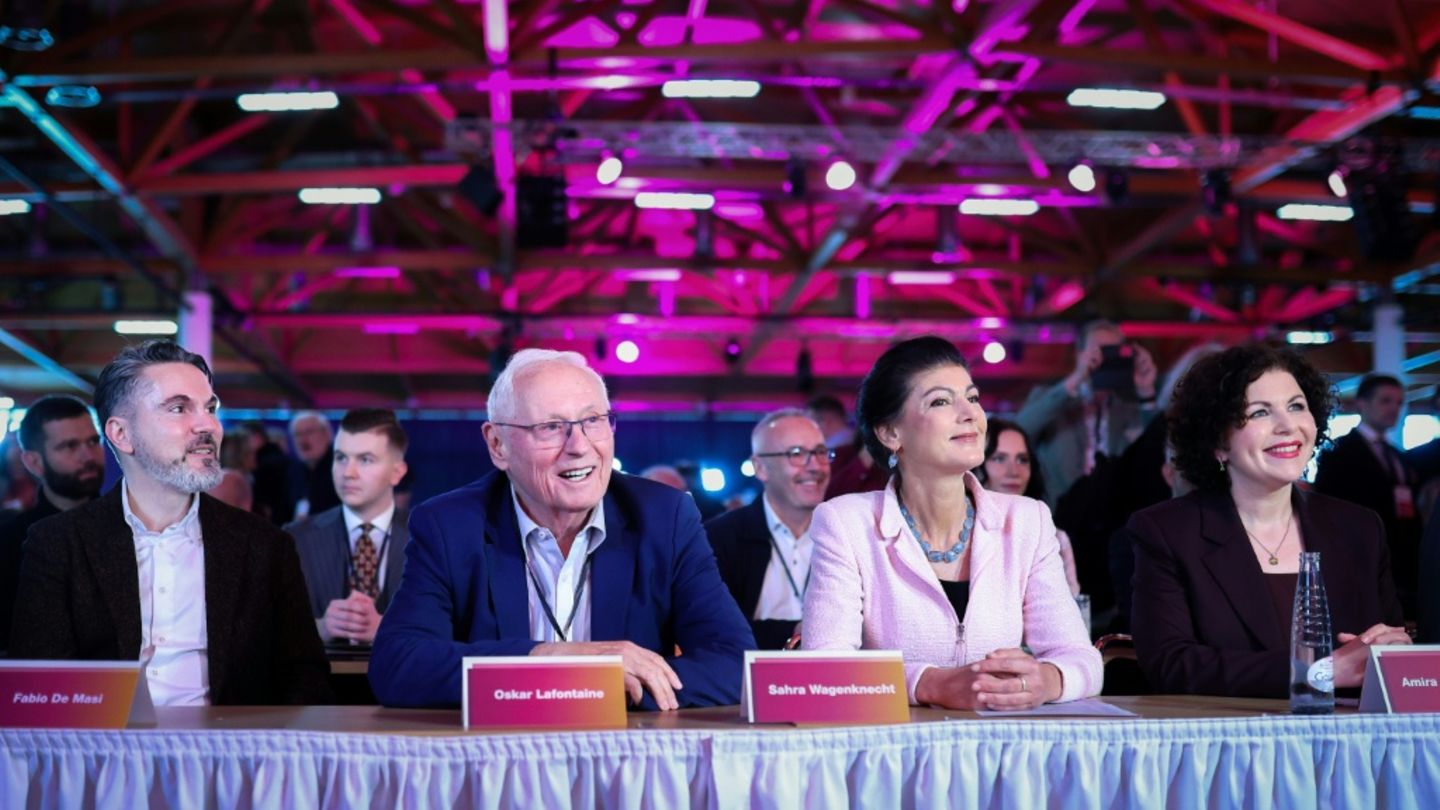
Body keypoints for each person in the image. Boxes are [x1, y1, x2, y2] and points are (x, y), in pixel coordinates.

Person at [369, 349, 754, 710]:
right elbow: (399, 665)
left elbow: (734, 664)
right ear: (498, 445)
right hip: (502, 748)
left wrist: (600, 693)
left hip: (624, 749)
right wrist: (552, 660)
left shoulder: (665, 517)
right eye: (551, 427)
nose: (579, 446)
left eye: (593, 421)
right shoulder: (449, 525)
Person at [8, 340, 330, 705]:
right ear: (121, 434)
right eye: (179, 408)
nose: (208, 425)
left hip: (228, 739)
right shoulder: (58, 544)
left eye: (210, 408)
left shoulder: (265, 545)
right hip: (106, 739)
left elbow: (305, 679)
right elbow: (39, 691)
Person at [803, 337, 1101, 709]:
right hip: (895, 741)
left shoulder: (1028, 520)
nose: (970, 413)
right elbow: (825, 672)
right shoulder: (846, 524)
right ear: (890, 433)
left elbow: (1083, 658)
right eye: (941, 401)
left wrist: (1048, 680)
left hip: (1002, 740)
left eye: (972, 397)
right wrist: (930, 685)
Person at [1129, 345, 1409, 698]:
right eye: (1260, 412)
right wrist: (1318, 672)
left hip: (1350, 730)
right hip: (1231, 731)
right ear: (1218, 442)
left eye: (1296, 406)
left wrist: (1395, 651)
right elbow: (1171, 665)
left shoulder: (1360, 528)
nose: (1287, 425)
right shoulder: (1168, 531)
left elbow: (1386, 648)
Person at [706, 408, 832, 649]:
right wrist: (794, 633)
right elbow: (713, 630)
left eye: (820, 452)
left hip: (841, 671)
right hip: (745, 672)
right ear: (760, 467)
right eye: (797, 454)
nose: (815, 466)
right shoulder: (719, 538)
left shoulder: (851, 533)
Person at [286, 409, 410, 645]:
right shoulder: (295, 539)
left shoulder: (430, 539)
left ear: (397, 472)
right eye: (341, 458)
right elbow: (269, 630)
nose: (348, 473)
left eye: (365, 460)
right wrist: (319, 628)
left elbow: (455, 631)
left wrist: (390, 630)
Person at [0, 395, 106, 652]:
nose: (88, 456)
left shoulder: (130, 526)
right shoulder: (12, 541)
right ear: (34, 462)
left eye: (93, 441)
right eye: (69, 446)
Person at [1016, 320, 1158, 509]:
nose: (1105, 359)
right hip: (1060, 512)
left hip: (1114, 514)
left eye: (1113, 351)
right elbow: (1020, 430)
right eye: (1099, 351)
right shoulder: (1051, 399)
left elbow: (1156, 452)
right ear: (1079, 354)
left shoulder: (1128, 409)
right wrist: (1076, 379)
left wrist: (1146, 391)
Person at [1314, 374, 1421, 617]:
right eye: (1385, 401)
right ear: (1361, 403)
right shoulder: (1339, 452)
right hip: (1358, 558)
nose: (1394, 409)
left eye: (1399, 402)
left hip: (1401, 562)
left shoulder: (1397, 455)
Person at [976, 418, 1081, 597]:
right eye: (999, 458)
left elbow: (1070, 606)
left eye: (1022, 460)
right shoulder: (957, 538)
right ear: (976, 467)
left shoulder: (1055, 538)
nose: (1014, 471)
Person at [289, 411, 340, 520]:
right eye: (297, 434)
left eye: (309, 432)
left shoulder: (342, 468)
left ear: (326, 434)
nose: (303, 440)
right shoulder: (294, 472)